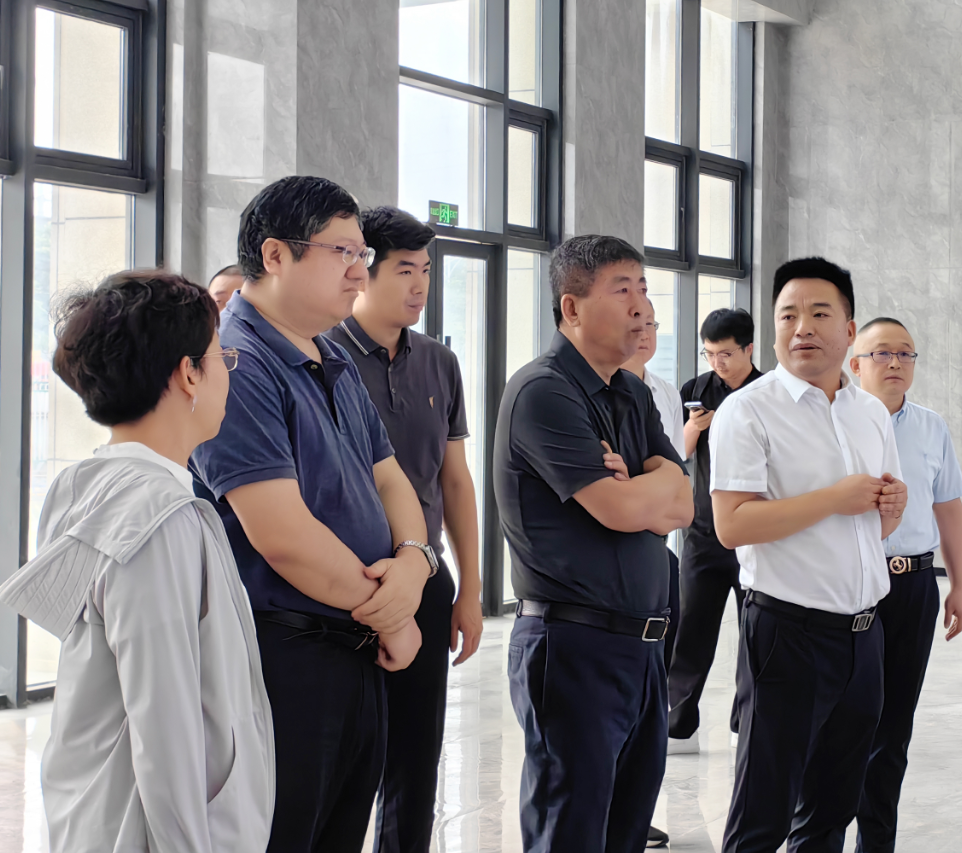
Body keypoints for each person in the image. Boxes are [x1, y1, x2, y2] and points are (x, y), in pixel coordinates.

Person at [191, 176, 437, 852]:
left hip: (355, 650)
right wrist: (393, 614)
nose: (360, 270)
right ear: (276, 255)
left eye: (363, 253)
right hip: (286, 657)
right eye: (343, 252)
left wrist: (414, 563)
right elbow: (283, 536)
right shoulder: (237, 363)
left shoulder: (330, 353)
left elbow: (391, 479)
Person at [0, 270, 274, 851]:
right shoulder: (159, 518)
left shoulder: (89, 484)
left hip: (99, 812)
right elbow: (164, 724)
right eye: (221, 357)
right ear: (188, 373)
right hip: (143, 831)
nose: (228, 373)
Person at [493, 235, 694, 852]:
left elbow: (683, 502)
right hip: (572, 645)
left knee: (626, 832)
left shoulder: (632, 392)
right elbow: (618, 508)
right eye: (621, 289)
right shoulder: (544, 391)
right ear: (572, 308)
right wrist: (643, 489)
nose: (641, 305)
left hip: (643, 648)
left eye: (643, 288)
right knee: (571, 833)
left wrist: (643, 487)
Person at [710, 257, 908, 853]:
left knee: (830, 813)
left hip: (864, 636)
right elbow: (732, 525)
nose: (802, 328)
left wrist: (891, 506)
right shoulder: (748, 409)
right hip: (786, 635)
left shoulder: (869, 412)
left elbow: (876, 525)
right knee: (762, 817)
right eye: (788, 315)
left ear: (848, 330)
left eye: (820, 314)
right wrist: (833, 499)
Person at [325, 206, 484, 853]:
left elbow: (455, 481)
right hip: (343, 585)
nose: (420, 286)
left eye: (426, 270)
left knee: (416, 763)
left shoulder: (439, 362)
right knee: (343, 767)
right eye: (404, 270)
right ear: (364, 269)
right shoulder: (324, 355)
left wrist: (469, 590)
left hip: (424, 578)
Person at [848, 317, 962, 853]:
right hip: (853, 582)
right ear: (856, 364)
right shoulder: (839, 422)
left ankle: (876, 844)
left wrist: (958, 585)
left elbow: (949, 508)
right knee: (844, 721)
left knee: (893, 728)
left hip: (914, 585)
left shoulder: (931, 426)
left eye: (905, 353)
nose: (895, 362)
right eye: (882, 353)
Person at [667, 307, 764, 754]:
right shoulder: (695, 391)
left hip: (754, 533)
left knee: (755, 633)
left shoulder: (769, 394)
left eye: (725, 353)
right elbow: (675, 457)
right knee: (691, 629)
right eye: (709, 354)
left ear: (748, 349)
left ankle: (747, 722)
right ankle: (678, 725)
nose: (717, 362)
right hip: (703, 533)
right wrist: (692, 427)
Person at [618, 310, 684, 850]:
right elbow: (612, 499)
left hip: (660, 555)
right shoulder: (582, 393)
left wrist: (643, 487)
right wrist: (652, 488)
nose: (645, 334)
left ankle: (638, 810)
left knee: (652, 689)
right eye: (634, 321)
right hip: (613, 567)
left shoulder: (662, 392)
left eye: (653, 325)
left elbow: (679, 491)